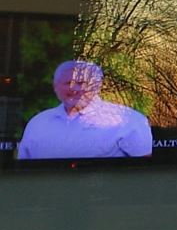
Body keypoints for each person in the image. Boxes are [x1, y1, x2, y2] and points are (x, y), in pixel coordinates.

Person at [16, 59, 153, 160]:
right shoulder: (38, 123)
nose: (74, 89)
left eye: (81, 83)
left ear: (97, 86)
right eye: (68, 83)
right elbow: (24, 168)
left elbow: (143, 173)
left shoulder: (128, 120)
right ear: (55, 87)